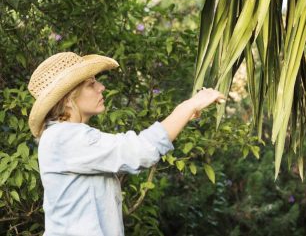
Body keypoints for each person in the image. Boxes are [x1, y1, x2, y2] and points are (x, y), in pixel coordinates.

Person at [27, 52, 226, 236]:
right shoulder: (64, 137)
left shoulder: (66, 137)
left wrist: (180, 118)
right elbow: (140, 151)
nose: (101, 87)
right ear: (68, 98)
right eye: (90, 84)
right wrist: (189, 105)